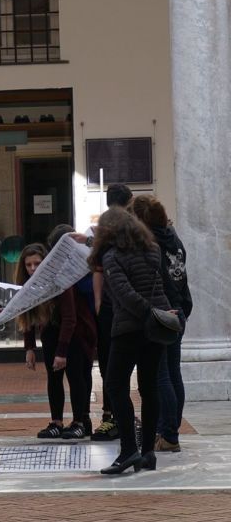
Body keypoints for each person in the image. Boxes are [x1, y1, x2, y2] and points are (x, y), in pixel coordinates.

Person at [88, 207, 173, 474]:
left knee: (115, 386)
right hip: (157, 329)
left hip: (129, 328)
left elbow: (124, 294)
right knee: (149, 388)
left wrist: (146, 312)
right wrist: (156, 314)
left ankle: (128, 451)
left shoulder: (113, 256)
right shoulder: (153, 250)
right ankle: (147, 451)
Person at [129, 195, 192, 453]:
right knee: (173, 373)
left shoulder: (149, 243)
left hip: (162, 312)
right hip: (179, 311)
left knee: (161, 375)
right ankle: (171, 430)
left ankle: (168, 434)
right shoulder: (172, 238)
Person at [72, 182, 133, 442]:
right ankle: (115, 418)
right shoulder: (134, 233)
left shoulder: (110, 233)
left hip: (116, 308)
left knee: (114, 366)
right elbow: (98, 266)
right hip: (116, 308)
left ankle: (117, 418)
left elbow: (99, 264)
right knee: (115, 366)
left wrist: (98, 302)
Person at [17, 243, 96, 439]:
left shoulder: (60, 280)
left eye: (37, 263)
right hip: (50, 332)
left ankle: (79, 421)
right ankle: (56, 422)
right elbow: (27, 314)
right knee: (54, 378)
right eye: (28, 265)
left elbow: (70, 318)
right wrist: (29, 348)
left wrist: (62, 352)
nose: (33, 268)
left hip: (74, 333)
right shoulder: (28, 284)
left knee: (75, 376)